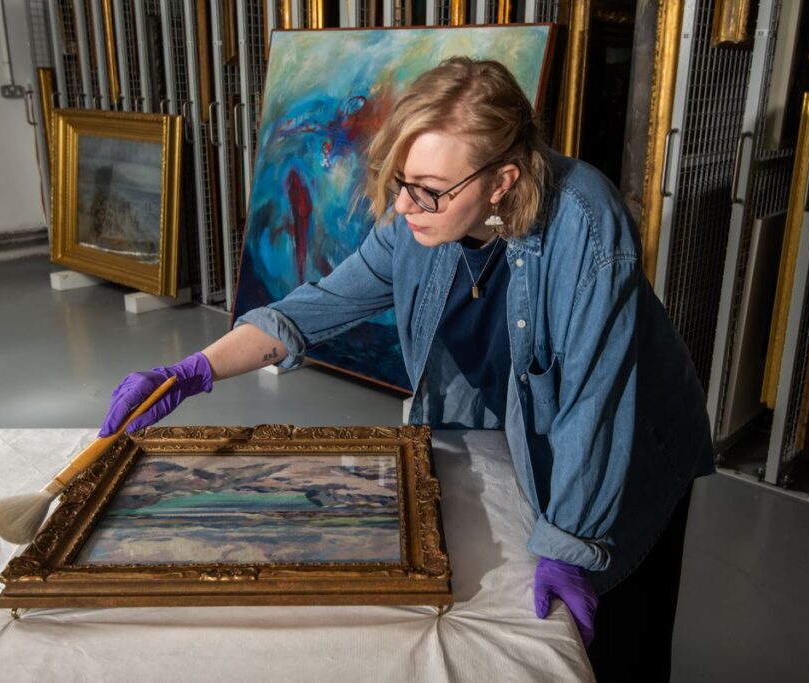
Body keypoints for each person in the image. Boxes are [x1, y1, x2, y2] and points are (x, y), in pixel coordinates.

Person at [99, 57, 714, 681]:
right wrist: (192, 371)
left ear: (501, 181)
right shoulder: (414, 215)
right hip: (544, 433)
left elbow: (595, 402)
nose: (405, 204)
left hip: (635, 446)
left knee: (619, 639)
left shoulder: (585, 222)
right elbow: (320, 305)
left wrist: (571, 546)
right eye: (400, 180)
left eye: (429, 188)